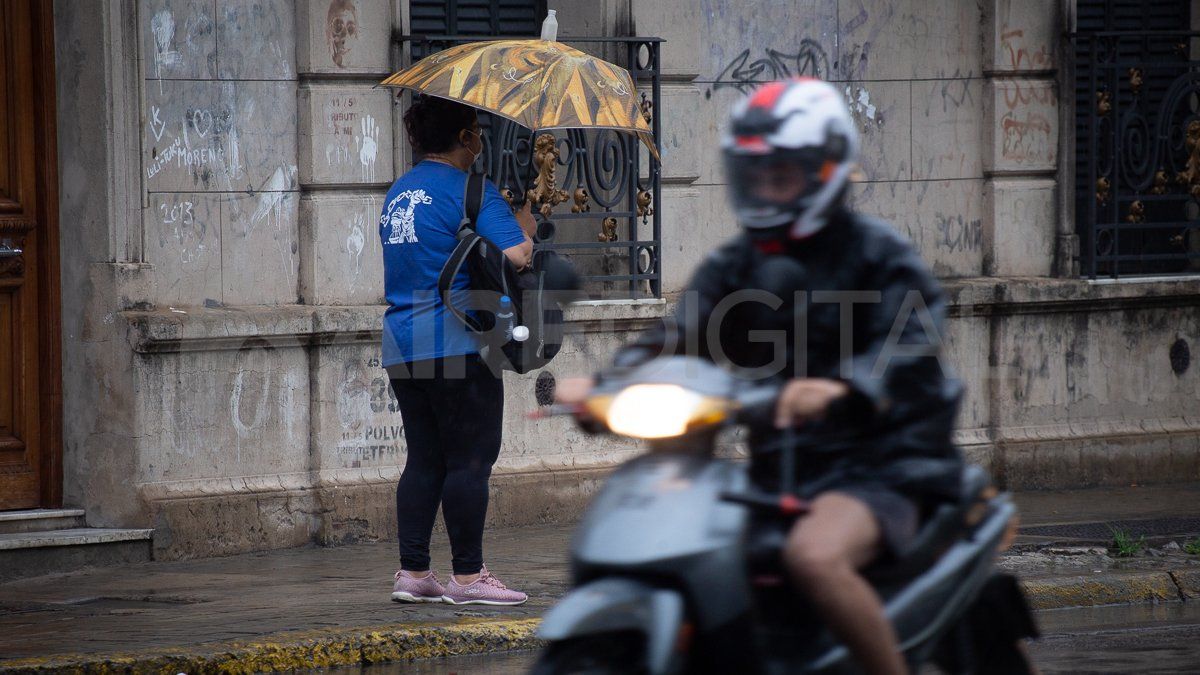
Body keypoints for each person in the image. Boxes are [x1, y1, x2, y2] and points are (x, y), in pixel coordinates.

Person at [555, 78, 965, 674]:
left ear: (825, 171)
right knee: (700, 548)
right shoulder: (740, 260)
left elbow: (912, 333)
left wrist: (846, 386)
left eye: (784, 175)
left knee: (813, 557)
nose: (768, 189)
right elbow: (681, 326)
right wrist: (608, 382)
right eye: (757, 174)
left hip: (884, 465)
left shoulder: (877, 252)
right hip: (783, 465)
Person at [380, 95, 535, 606]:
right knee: (470, 460)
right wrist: (525, 218)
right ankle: (469, 579)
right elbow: (517, 255)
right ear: (465, 138)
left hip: (402, 343)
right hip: (458, 343)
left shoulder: (398, 193)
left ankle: (413, 573)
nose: (481, 142)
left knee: (424, 459)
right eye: (478, 133)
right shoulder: (473, 190)